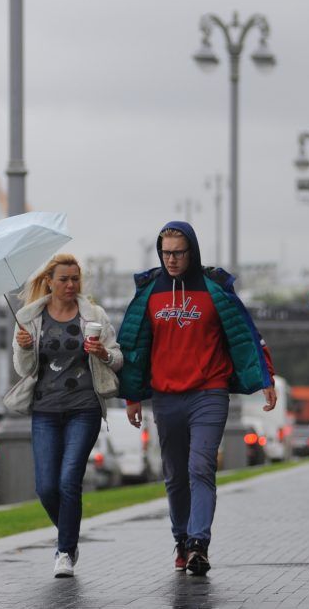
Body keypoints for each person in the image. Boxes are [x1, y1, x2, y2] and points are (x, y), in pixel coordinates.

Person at [117, 222, 276, 576]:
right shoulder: (149, 292)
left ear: (193, 252)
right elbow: (135, 346)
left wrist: (265, 376)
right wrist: (131, 396)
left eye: (178, 253)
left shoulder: (214, 288)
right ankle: (181, 538)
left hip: (209, 391)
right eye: (165, 253)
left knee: (200, 467)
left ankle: (198, 544)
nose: (171, 260)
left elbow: (245, 333)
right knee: (174, 475)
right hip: (166, 396)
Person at [6, 253, 123, 578]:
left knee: (69, 480)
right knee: (46, 488)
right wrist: (24, 347)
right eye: (64, 279)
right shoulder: (29, 316)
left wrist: (103, 353)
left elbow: (118, 359)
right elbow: (24, 369)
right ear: (49, 282)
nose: (71, 285)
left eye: (75, 279)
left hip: (83, 409)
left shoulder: (93, 314)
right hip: (44, 410)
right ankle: (68, 534)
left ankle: (64, 551)